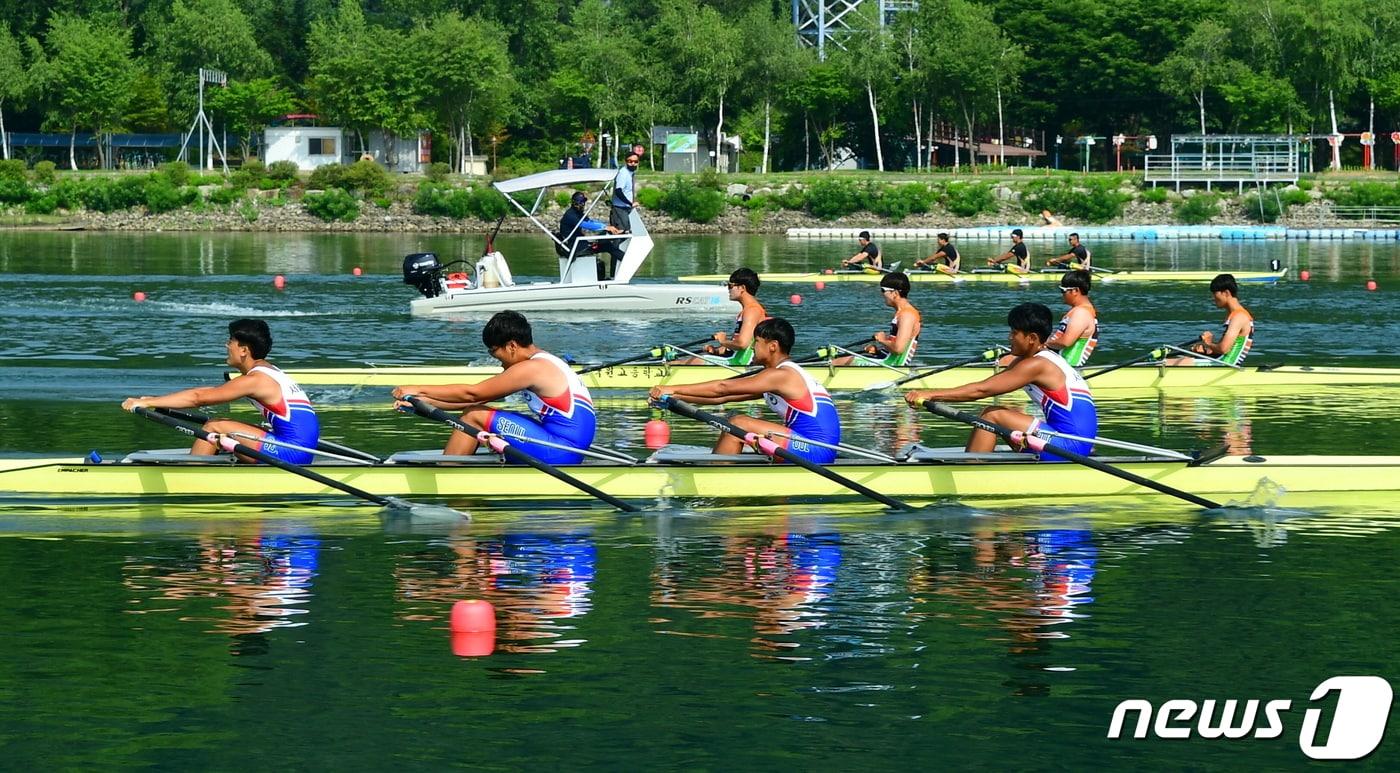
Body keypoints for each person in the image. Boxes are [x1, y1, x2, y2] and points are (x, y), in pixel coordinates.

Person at [391, 311, 596, 464]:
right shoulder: (545, 360)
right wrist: (421, 404)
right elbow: (477, 399)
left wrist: (418, 389)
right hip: (565, 447)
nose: (499, 363)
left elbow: (472, 394)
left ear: (512, 346)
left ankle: (447, 473)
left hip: (561, 451)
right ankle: (453, 465)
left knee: (474, 415)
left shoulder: (533, 368)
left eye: (494, 352)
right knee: (476, 411)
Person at [905, 302, 1097, 462]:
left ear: (1032, 338)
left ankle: (971, 471)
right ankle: (977, 461)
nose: (1009, 337)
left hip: (1071, 446)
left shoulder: (1038, 365)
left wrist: (929, 394)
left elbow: (981, 391)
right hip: (1065, 439)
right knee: (1001, 416)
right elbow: (991, 383)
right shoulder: (1038, 359)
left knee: (992, 415)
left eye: (1014, 333)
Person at [120, 319, 320, 464]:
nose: (226, 345)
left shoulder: (256, 380)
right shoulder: (271, 371)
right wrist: (157, 400)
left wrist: (147, 403)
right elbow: (206, 392)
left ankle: (191, 476)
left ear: (244, 350)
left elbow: (199, 398)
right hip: (297, 448)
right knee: (223, 427)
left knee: (215, 426)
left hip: (292, 453)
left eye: (230, 341)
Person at [651, 318, 842, 463]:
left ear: (773, 346)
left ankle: (715, 477)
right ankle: (721, 467)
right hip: (806, 446)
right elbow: (723, 398)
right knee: (735, 421)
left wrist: (671, 387)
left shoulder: (782, 375)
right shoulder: (777, 376)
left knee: (738, 423)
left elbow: (722, 388)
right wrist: (672, 398)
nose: (751, 348)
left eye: (756, 342)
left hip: (815, 450)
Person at [678, 267, 767, 366]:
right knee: (694, 359)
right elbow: (737, 346)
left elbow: (742, 344)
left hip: (740, 363)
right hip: (736, 359)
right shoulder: (747, 311)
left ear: (742, 288)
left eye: (730, 286)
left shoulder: (752, 311)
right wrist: (716, 350)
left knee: (694, 360)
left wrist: (723, 341)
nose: (728, 289)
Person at [832, 272, 922, 367]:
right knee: (838, 359)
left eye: (883, 290)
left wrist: (882, 340)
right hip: (887, 359)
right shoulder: (902, 313)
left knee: (839, 362)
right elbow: (895, 348)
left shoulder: (907, 315)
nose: (881, 294)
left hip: (892, 365)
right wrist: (878, 351)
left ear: (895, 293)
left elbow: (898, 349)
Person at [1167, 273, 1255, 366]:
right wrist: (1207, 349)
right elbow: (1225, 349)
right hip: (1222, 361)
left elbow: (1223, 349)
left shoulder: (1239, 317)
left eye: (1214, 293)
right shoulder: (1237, 315)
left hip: (1225, 364)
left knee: (1167, 363)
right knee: (1179, 359)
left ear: (1226, 293)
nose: (1212, 298)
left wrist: (1208, 343)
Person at [558, 190, 624, 280]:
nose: (582, 204)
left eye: (583, 202)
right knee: (607, 246)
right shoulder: (570, 215)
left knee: (605, 241)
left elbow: (590, 222)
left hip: (581, 245)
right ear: (574, 202)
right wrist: (605, 227)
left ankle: (619, 269)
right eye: (580, 202)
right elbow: (585, 225)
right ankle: (627, 261)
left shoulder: (579, 214)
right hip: (577, 247)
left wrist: (610, 228)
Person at [1047, 269, 1098, 367]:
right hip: (1058, 364)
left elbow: (1065, 342)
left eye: (1063, 290)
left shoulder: (1081, 313)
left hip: (1068, 367)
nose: (1062, 294)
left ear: (1075, 291)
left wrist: (1043, 344)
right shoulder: (1079, 310)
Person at [610, 153, 640, 233]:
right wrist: (630, 203)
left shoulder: (630, 173)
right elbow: (618, 191)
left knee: (628, 231)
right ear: (626, 161)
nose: (633, 163)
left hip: (627, 208)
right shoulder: (623, 173)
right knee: (621, 232)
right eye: (630, 161)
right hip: (620, 208)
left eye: (635, 161)